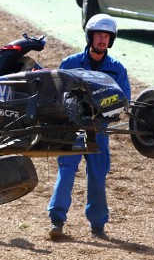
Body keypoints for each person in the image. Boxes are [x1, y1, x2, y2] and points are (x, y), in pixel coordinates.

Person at [47, 14, 131, 240]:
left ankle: (98, 225)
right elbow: (56, 93)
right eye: (98, 35)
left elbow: (123, 100)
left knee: (97, 175)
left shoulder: (117, 69)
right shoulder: (70, 63)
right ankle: (57, 221)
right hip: (72, 128)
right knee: (66, 170)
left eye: (106, 36)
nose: (102, 40)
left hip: (99, 130)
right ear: (90, 37)